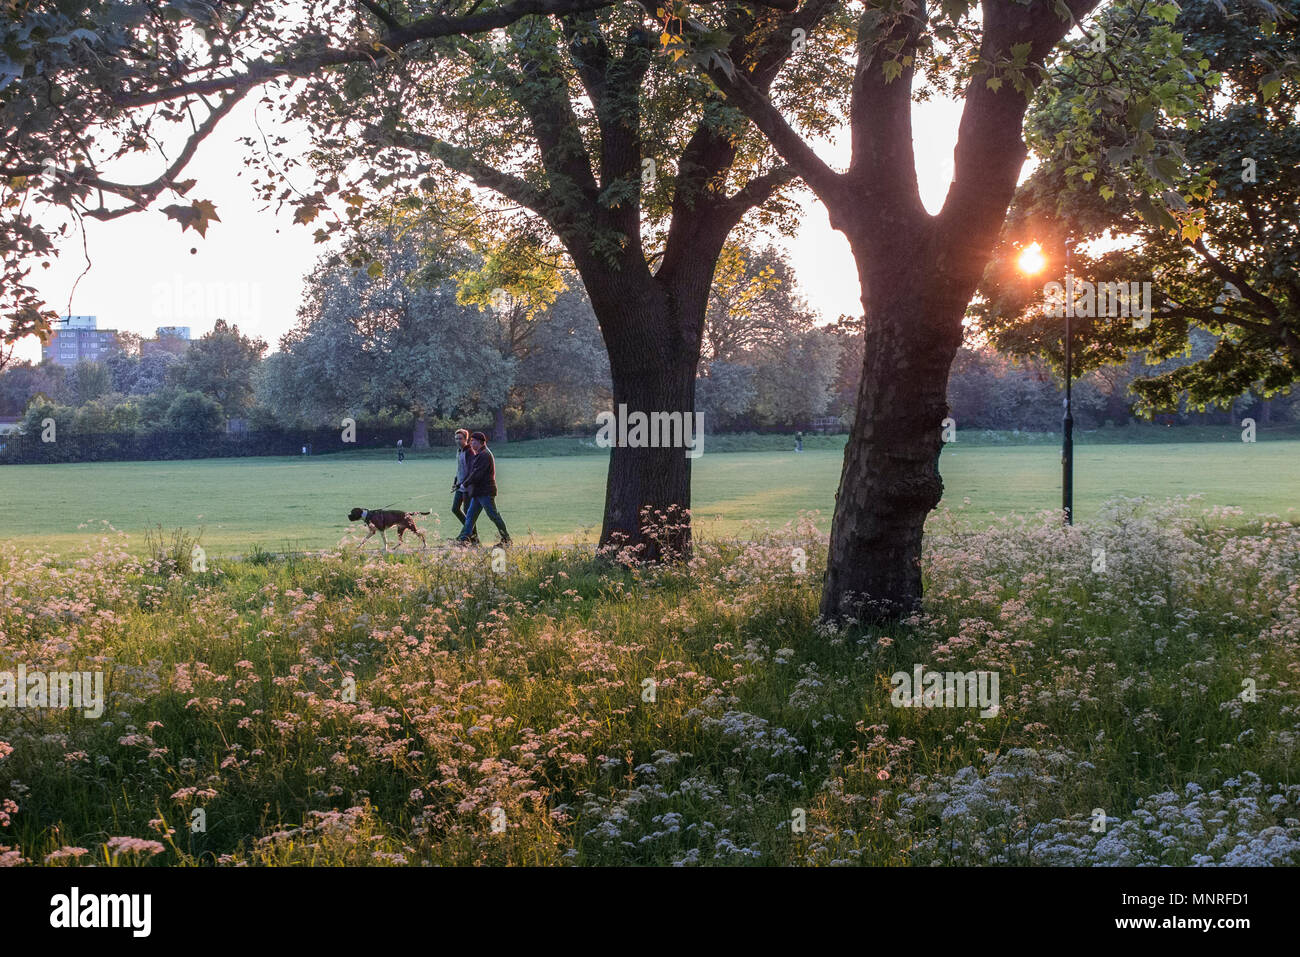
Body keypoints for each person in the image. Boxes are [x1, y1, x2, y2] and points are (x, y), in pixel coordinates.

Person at [457, 432, 511, 546]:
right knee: (470, 517)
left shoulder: (484, 455)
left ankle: (506, 539)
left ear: (481, 442)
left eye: (474, 441)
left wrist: (465, 484)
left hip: (485, 492)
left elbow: (477, 474)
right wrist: (462, 483)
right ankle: (463, 540)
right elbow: (474, 473)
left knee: (493, 516)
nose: (471, 443)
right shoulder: (480, 453)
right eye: (471, 441)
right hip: (479, 492)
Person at [451, 428, 479, 544]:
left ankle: (473, 537)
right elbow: (459, 468)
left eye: (460, 438)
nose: (458, 441)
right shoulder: (459, 451)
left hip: (467, 487)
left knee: (468, 513)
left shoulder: (469, 452)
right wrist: (455, 481)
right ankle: (471, 534)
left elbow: (471, 470)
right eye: (456, 438)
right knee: (455, 509)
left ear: (466, 439)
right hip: (460, 486)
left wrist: (463, 482)